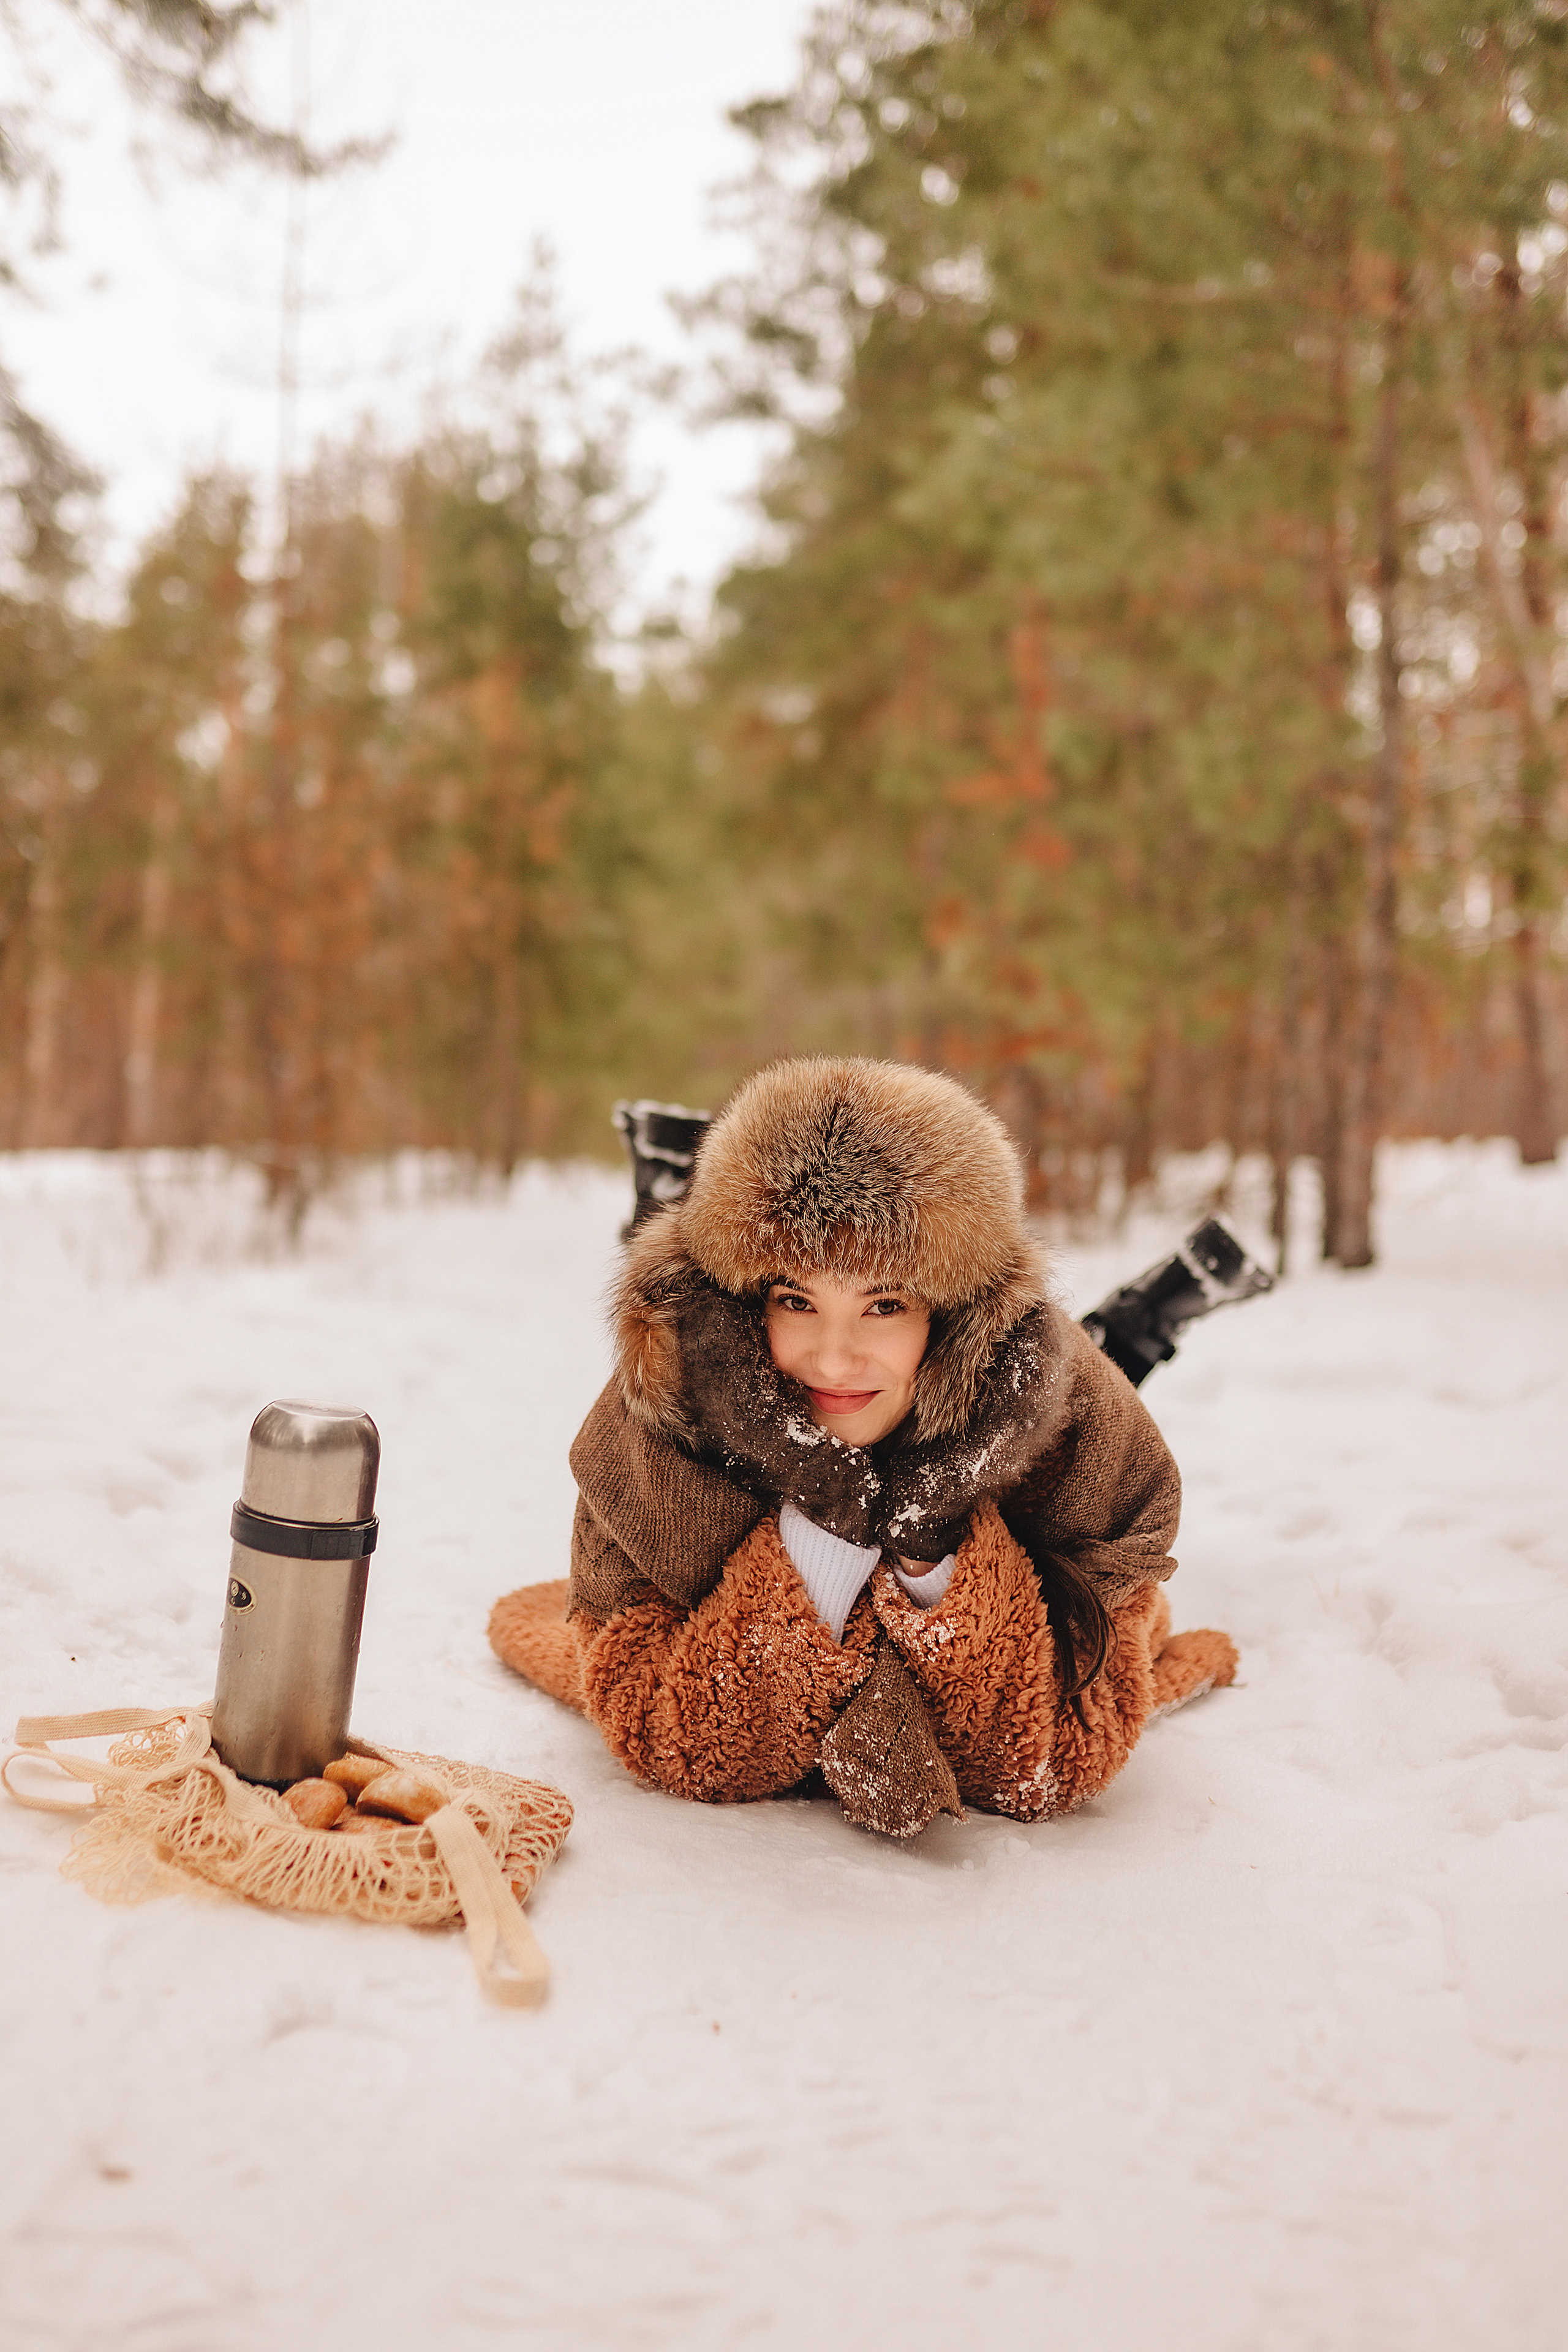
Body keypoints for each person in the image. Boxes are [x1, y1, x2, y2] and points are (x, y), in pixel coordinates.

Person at [489, 1057, 1237, 1838]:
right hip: (770, 1379)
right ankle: (668, 1186)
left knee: (1059, 1378)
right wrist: (829, 1522)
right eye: (795, 1300)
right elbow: (679, 1738)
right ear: (751, 1308)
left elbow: (1045, 1764)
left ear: (946, 1320)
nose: (835, 1356)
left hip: (1010, 1403)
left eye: (884, 1304)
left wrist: (930, 1546)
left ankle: (1149, 1317)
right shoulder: (656, 1430)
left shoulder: (1089, 1430)